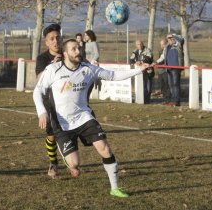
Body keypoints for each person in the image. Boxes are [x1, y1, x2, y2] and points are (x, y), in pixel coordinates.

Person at [33, 39, 150, 197]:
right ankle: (72, 165)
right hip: (62, 123)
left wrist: (138, 70)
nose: (78, 51)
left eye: (79, 48)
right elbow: (37, 91)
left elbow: (113, 75)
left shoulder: (88, 69)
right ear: (65, 53)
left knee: (105, 148)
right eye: (74, 49)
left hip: (84, 117)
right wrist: (42, 112)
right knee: (75, 163)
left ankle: (115, 188)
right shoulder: (53, 69)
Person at [35, 23, 63, 179]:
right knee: (51, 135)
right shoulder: (43, 58)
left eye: (57, 37)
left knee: (70, 133)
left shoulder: (69, 53)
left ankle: (71, 159)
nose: (55, 41)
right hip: (50, 101)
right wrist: (52, 66)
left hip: (67, 100)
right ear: (47, 42)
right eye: (52, 39)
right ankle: (53, 163)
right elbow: (39, 79)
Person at [165, 34, 184, 106]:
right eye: (168, 39)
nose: (169, 40)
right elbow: (164, 57)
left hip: (176, 68)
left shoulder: (178, 45)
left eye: (171, 38)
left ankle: (177, 101)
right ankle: (173, 100)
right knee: (171, 85)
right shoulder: (167, 47)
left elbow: (181, 39)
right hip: (169, 68)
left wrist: (173, 35)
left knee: (176, 84)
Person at [152, 39, 171, 103]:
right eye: (160, 44)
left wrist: (156, 63)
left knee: (167, 85)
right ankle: (165, 99)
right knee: (162, 85)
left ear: (165, 44)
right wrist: (156, 63)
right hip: (160, 70)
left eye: (162, 44)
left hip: (166, 70)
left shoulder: (169, 49)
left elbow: (164, 59)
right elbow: (161, 58)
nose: (161, 46)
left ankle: (168, 100)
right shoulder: (162, 50)